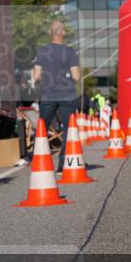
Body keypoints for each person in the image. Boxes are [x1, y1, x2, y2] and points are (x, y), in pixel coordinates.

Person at [32, 20, 81, 174]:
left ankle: (39, 161)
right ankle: (62, 164)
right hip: (67, 95)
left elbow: (36, 77)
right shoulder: (70, 52)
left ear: (49, 32)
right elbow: (76, 76)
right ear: (63, 33)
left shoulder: (42, 51)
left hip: (48, 94)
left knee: (43, 128)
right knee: (68, 129)